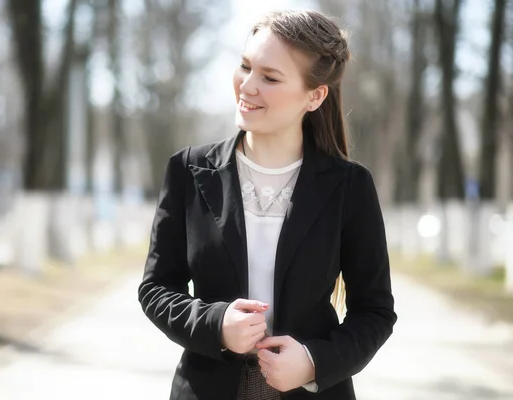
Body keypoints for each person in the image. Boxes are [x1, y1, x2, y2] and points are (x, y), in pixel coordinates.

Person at [138, 9, 397, 400]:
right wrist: (216, 323)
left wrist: (313, 361)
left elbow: (375, 311)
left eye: (270, 77)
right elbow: (157, 288)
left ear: (315, 96)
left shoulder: (350, 186)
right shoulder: (188, 170)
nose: (247, 86)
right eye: (245, 67)